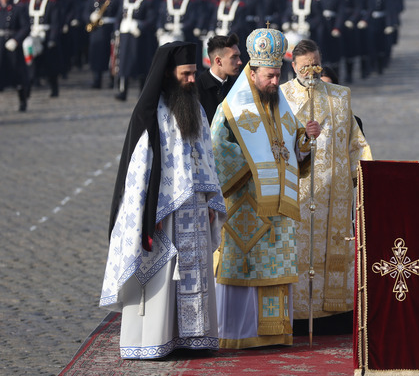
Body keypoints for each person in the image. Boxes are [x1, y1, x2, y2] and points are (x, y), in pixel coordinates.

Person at [100, 41, 227, 359]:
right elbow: (140, 167)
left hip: (195, 207)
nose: (192, 80)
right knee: (161, 276)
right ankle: (156, 340)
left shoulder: (195, 106)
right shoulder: (151, 111)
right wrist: (148, 211)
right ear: (169, 73)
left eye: (194, 73)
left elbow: (205, 156)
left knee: (194, 273)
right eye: (186, 74)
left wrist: (211, 200)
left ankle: (193, 338)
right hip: (163, 209)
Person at [210, 27, 321, 349]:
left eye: (277, 75)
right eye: (269, 76)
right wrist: (256, 164)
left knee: (274, 270)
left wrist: (305, 139)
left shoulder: (280, 108)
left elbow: (291, 150)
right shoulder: (232, 109)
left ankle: (273, 333)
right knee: (242, 270)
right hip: (246, 205)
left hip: (277, 211)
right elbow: (217, 149)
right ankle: (238, 335)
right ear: (252, 72)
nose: (275, 82)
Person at [280, 39, 372, 335]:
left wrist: (368, 180)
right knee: (297, 253)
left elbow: (355, 144)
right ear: (293, 66)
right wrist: (301, 139)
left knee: (335, 254)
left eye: (316, 64)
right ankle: (295, 316)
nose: (312, 71)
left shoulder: (340, 96)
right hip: (299, 194)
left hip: (336, 197)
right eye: (305, 66)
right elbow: (275, 147)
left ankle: (335, 316)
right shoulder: (282, 97)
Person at [198, 33, 243, 124]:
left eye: (239, 56)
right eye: (234, 57)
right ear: (218, 61)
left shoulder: (239, 87)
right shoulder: (197, 89)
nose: (239, 62)